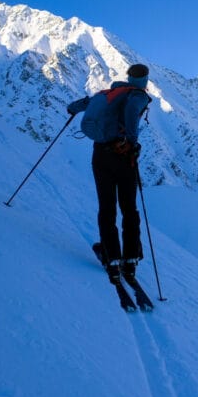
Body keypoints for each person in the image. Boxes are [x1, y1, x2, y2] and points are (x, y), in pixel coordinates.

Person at [67, 63, 152, 283]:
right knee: (129, 209)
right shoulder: (138, 96)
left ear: (127, 77)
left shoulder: (109, 94)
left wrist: (71, 108)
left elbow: (83, 104)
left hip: (101, 155)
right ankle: (130, 259)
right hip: (124, 158)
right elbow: (132, 112)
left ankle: (111, 257)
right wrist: (132, 143)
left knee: (107, 208)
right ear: (145, 80)